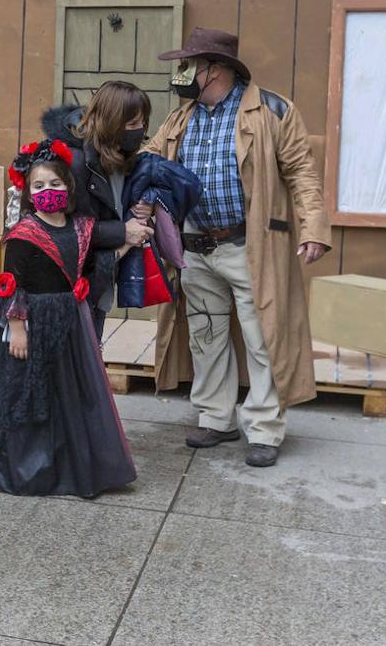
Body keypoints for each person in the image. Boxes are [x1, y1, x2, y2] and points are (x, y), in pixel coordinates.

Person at [149, 28, 332, 468]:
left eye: (187, 64)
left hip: (249, 246)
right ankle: (215, 417)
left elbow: (301, 172)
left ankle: (265, 429)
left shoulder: (272, 110)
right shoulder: (181, 117)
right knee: (206, 334)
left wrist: (314, 228)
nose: (181, 73)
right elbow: (151, 160)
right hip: (194, 247)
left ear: (216, 68)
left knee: (263, 336)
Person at [0, 140, 136, 496]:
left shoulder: (81, 227)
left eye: (54, 184)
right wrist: (17, 328)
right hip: (32, 322)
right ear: (28, 193)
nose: (47, 191)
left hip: (68, 322)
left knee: (62, 394)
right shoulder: (24, 234)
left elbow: (91, 263)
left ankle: (62, 464)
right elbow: (10, 284)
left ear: (68, 187)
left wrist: (128, 240)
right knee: (18, 394)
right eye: (38, 186)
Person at [41, 82, 158, 337]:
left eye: (142, 123)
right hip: (67, 286)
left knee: (91, 360)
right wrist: (122, 232)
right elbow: (63, 228)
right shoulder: (74, 162)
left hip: (97, 278)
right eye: (132, 125)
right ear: (112, 123)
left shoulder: (119, 156)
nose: (139, 131)